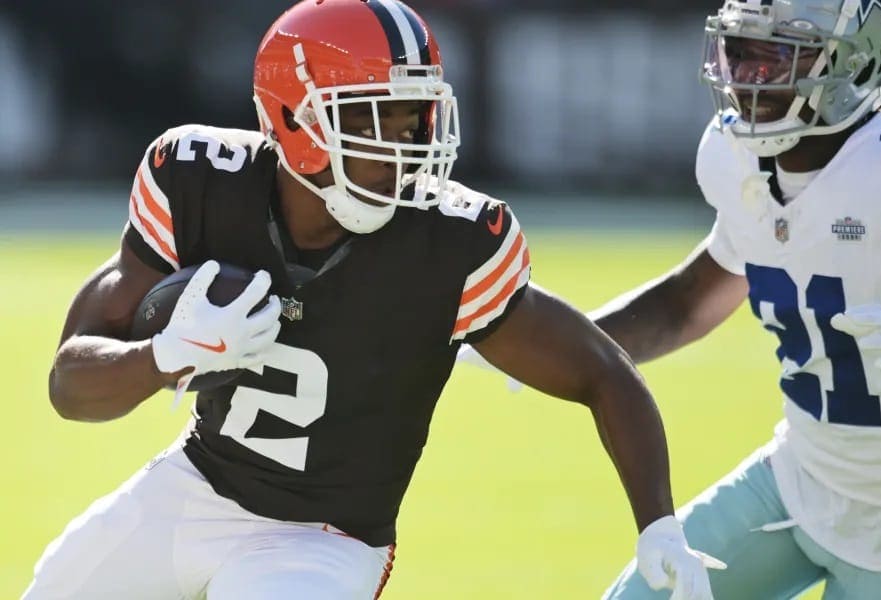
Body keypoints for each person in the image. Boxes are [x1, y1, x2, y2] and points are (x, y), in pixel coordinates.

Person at [21, 1, 724, 599]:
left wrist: (658, 522)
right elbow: (69, 386)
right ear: (296, 123)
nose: (406, 145)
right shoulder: (200, 182)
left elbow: (602, 371)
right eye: (373, 119)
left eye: (414, 118)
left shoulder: (449, 243)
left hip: (323, 540)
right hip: (195, 486)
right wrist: (163, 356)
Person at [463, 0, 881, 597]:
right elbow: (687, 304)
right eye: (740, 52)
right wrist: (560, 347)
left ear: (858, 63)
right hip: (798, 479)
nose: (748, 78)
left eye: (778, 58)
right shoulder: (738, 157)